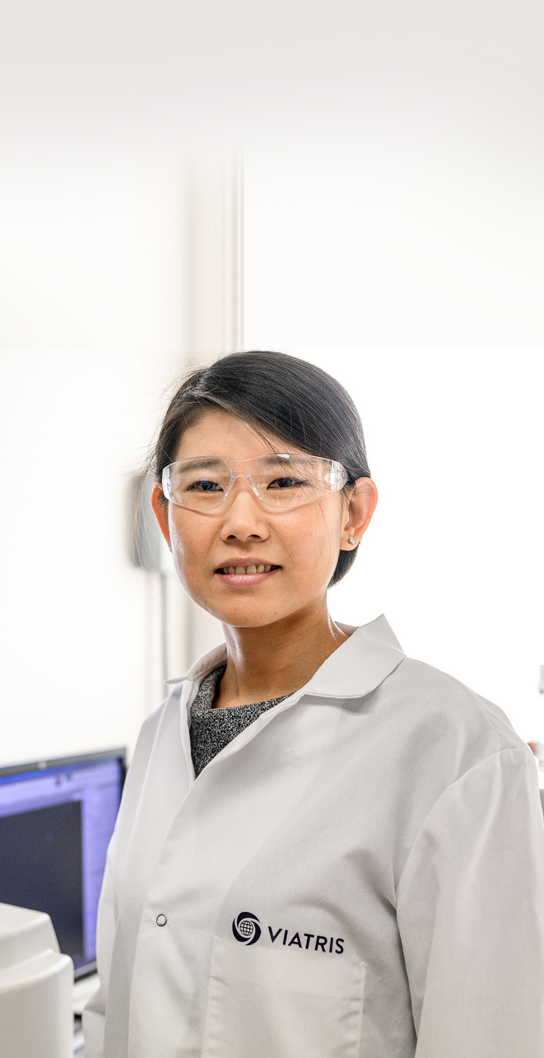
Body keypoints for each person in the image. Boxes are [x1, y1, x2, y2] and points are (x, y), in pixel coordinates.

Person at [82, 351, 544, 1058]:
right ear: (166, 515)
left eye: (284, 482)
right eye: (205, 485)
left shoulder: (458, 752)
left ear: (353, 512)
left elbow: (490, 1038)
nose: (241, 521)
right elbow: (118, 1008)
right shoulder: (159, 737)